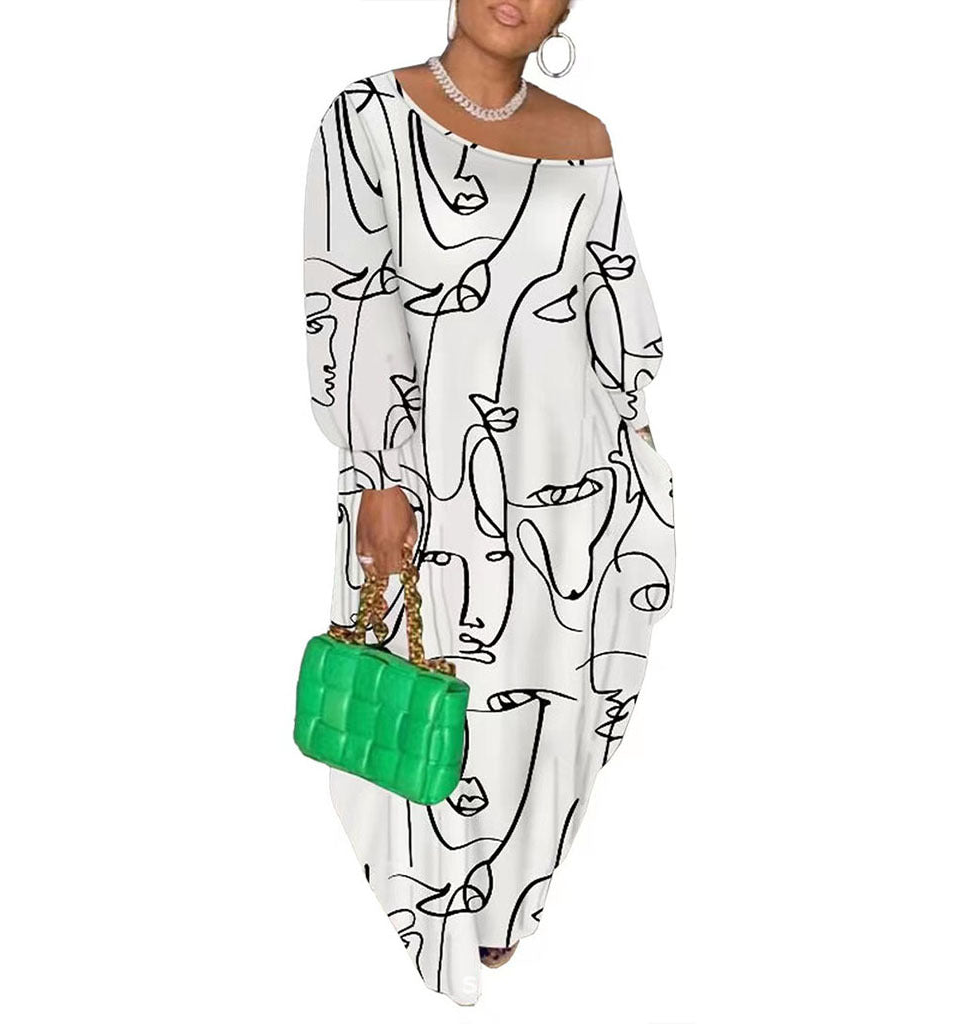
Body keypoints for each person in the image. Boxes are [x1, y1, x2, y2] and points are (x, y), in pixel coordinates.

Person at [302, 0, 675, 1005]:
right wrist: (379, 474)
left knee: (546, 698)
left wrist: (637, 464)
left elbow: (616, 312)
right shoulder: (368, 118)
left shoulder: (585, 142)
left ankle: (506, 898)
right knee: (433, 683)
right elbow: (350, 301)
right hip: (430, 482)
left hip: (568, 487)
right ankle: (432, 903)